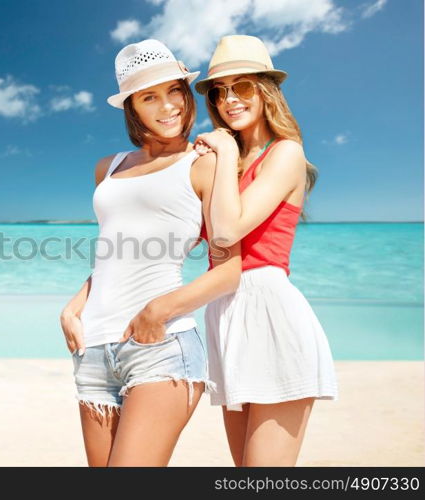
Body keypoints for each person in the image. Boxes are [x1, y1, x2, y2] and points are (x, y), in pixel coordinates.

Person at [59, 39, 241, 467]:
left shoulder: (203, 163)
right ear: (132, 108)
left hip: (160, 347)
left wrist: (158, 311)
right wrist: (74, 306)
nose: (167, 106)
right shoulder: (108, 167)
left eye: (174, 91)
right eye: (149, 97)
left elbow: (229, 270)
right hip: (93, 350)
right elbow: (117, 254)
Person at [193, 35, 338, 466]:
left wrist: (219, 149)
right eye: (220, 91)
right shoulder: (226, 161)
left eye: (242, 86)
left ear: (266, 90)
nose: (229, 99)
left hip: (269, 311)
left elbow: (228, 230)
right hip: (224, 313)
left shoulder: (286, 153)